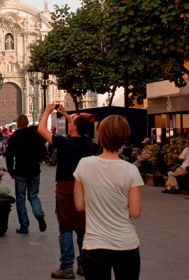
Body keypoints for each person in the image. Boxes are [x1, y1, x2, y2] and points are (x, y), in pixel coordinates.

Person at [74, 115, 143, 280]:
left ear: (101, 135)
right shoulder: (131, 170)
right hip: (126, 244)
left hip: (95, 244)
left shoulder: (84, 164)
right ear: (124, 137)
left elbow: (79, 205)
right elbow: (135, 212)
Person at [38, 103, 94, 279]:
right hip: (84, 189)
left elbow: (41, 130)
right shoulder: (87, 144)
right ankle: (84, 264)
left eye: (72, 123)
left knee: (66, 228)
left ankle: (67, 266)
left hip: (65, 189)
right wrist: (67, 115)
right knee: (82, 228)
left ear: (75, 128)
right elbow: (80, 129)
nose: (70, 124)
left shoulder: (65, 143)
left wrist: (47, 112)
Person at [6, 114, 47, 234]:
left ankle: (24, 226)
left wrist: (11, 170)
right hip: (34, 170)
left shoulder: (14, 137)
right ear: (28, 123)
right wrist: (39, 160)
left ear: (18, 124)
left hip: (20, 171)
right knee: (33, 195)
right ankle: (39, 213)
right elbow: (43, 150)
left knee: (20, 199)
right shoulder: (35, 135)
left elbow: (9, 155)